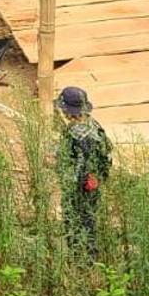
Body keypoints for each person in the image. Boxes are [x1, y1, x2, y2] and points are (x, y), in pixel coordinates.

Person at [55, 86, 112, 259]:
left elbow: (81, 166)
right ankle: (87, 257)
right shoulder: (93, 124)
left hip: (81, 186)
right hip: (93, 182)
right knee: (89, 218)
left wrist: (73, 185)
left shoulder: (78, 134)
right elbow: (107, 150)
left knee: (78, 220)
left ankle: (82, 260)